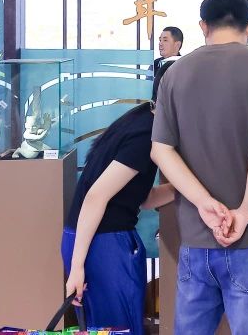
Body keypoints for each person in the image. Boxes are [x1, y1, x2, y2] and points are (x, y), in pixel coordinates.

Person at [152, 0, 248, 335]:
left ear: (203, 26)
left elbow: (161, 150)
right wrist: (244, 212)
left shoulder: (175, 74)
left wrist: (204, 204)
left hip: (196, 241)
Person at [62, 81, 175, 333]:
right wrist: (77, 266)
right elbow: (95, 197)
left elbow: (143, 199)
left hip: (92, 240)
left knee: (107, 326)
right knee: (117, 326)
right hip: (103, 245)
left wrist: (184, 188)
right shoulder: (145, 136)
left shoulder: (141, 118)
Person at [153, 26, 183, 99]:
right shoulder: (155, 63)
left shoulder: (184, 65)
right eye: (160, 40)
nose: (160, 43)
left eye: (165, 40)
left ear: (177, 45)